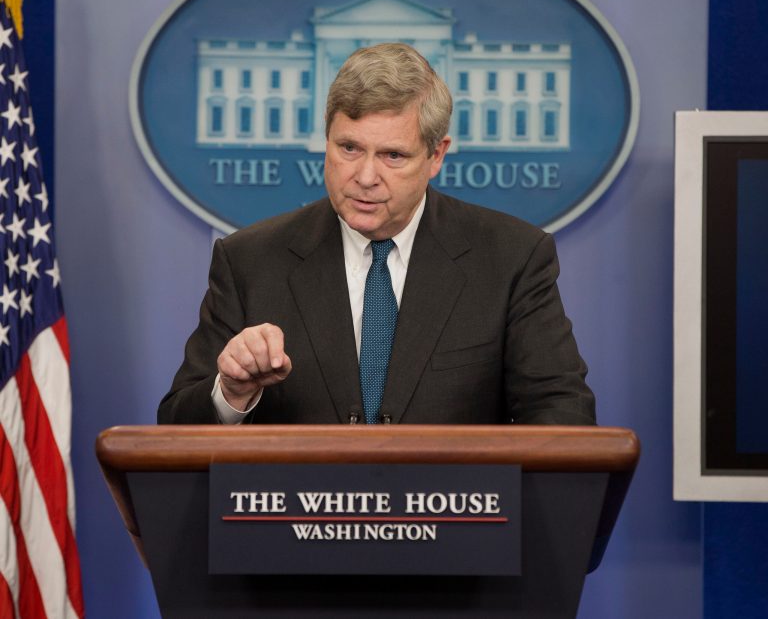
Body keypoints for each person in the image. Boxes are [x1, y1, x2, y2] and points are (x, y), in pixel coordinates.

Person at [158, 43, 595, 426]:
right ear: (326, 138)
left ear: (436, 155)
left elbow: (562, 413)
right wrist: (231, 393)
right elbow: (176, 427)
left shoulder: (511, 258)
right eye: (349, 148)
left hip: (453, 499)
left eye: (392, 155)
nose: (365, 177)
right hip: (298, 499)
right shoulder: (249, 261)